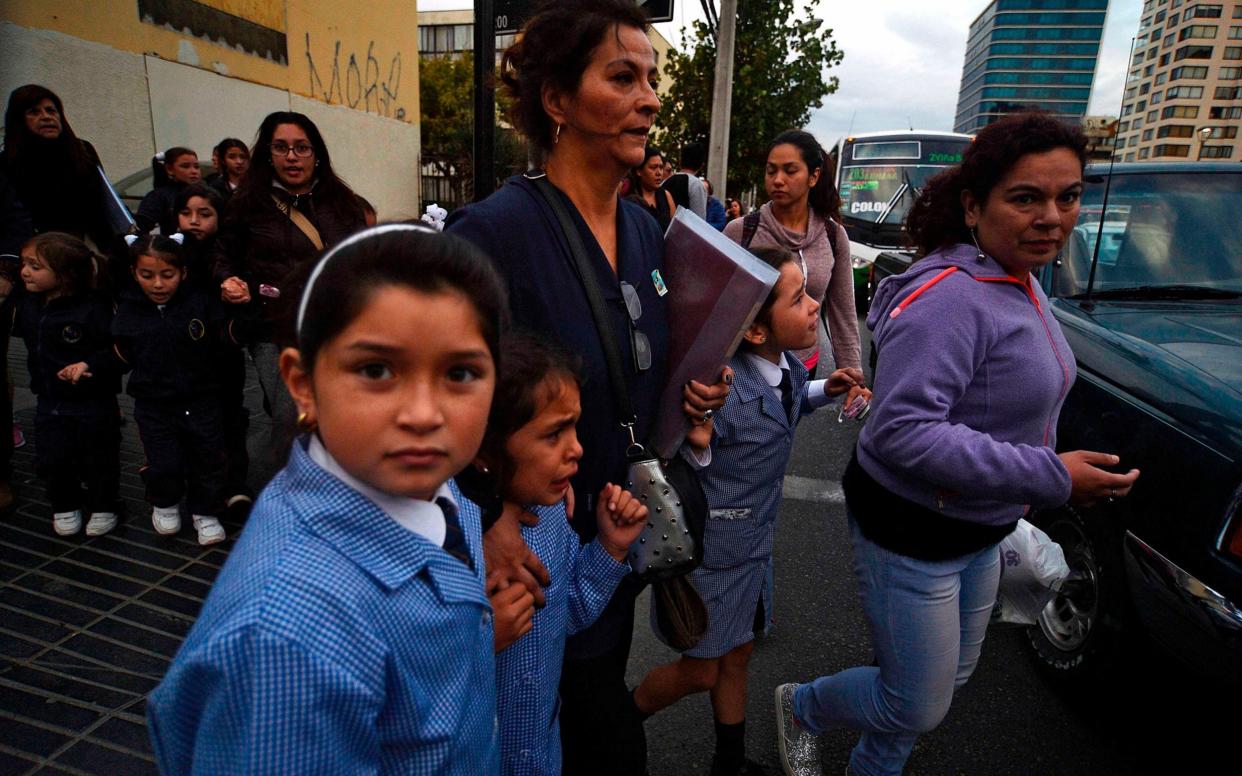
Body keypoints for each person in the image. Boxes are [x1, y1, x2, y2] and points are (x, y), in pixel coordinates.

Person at [773, 112, 1143, 776]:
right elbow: (901, 431)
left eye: (1069, 196)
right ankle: (802, 707)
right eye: (1026, 197)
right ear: (974, 207)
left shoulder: (1018, 277)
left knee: (945, 681)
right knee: (916, 702)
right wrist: (1050, 475)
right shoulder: (954, 297)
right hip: (911, 530)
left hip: (979, 526)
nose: (1052, 217)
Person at [446, 2, 731, 772]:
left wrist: (690, 398)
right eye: (622, 77)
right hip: (537, 555)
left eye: (650, 79)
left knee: (595, 694)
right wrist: (488, 520)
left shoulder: (645, 230)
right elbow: (442, 401)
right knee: (561, 730)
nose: (649, 97)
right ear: (557, 101)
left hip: (618, 539)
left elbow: (636, 371)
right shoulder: (493, 234)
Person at [147, 224, 506, 773]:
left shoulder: (422, 479)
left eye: (460, 372)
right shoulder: (285, 646)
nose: (424, 414)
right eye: (376, 370)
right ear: (301, 382)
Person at [633, 247, 869, 776]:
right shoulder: (724, 387)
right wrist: (699, 437)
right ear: (757, 331)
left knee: (736, 655)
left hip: (751, 552)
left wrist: (820, 391)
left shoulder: (782, 365)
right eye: (799, 297)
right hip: (715, 558)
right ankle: (621, 719)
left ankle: (730, 760)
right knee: (700, 670)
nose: (814, 306)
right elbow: (691, 453)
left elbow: (787, 399)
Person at [479, 333, 649, 775]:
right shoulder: (453, 539)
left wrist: (610, 546)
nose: (576, 449)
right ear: (485, 443)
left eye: (574, 427)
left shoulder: (553, 514)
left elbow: (565, 613)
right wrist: (480, 642)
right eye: (554, 433)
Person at [213, 111, 367, 448]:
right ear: (268, 154)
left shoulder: (342, 203)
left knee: (339, 412)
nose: (292, 157)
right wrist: (229, 281)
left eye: (302, 148)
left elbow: (363, 259)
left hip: (332, 327)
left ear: (317, 154)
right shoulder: (247, 204)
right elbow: (223, 255)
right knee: (291, 417)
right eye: (281, 148)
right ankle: (295, 493)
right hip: (273, 328)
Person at [113, 234, 241, 544]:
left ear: (183, 272)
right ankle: (165, 501)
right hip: (153, 402)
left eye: (167, 275)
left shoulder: (198, 302)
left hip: (201, 397)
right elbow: (121, 352)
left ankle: (205, 510)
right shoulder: (128, 309)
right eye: (147, 275)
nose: (158, 284)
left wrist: (243, 317)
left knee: (207, 455)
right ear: (134, 273)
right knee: (163, 458)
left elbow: (224, 339)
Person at [724, 130, 860, 377]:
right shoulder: (741, 232)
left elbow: (843, 311)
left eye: (790, 170)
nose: (777, 179)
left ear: (813, 176)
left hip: (805, 367)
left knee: (793, 413)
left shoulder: (833, 235)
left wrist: (852, 373)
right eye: (771, 170)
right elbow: (718, 308)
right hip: (746, 369)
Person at [14, 232, 120, 536]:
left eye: (35, 266)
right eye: (25, 264)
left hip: (93, 401)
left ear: (64, 275)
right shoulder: (30, 303)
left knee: (98, 456)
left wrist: (90, 366)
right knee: (53, 456)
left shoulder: (93, 307)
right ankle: (64, 504)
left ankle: (103, 505)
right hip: (49, 399)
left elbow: (114, 350)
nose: (25, 272)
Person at [176, 183, 254, 516]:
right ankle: (199, 487)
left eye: (204, 214)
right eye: (186, 213)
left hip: (221, 353)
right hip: (184, 355)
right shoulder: (170, 253)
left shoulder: (230, 255)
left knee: (230, 418)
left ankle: (235, 484)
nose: (194, 221)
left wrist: (234, 331)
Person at [1, 85, 113, 248]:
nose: (46, 117)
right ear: (20, 120)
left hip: (84, 247)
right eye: (34, 112)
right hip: (35, 253)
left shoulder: (82, 151)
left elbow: (102, 203)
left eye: (51, 110)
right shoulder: (8, 162)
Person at [136, 147, 202, 235]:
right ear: (169, 169)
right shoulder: (159, 196)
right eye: (185, 166)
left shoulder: (209, 193)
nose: (194, 171)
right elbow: (140, 227)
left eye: (196, 167)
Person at [625, 145, 675, 232]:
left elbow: (675, 230)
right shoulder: (630, 199)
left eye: (661, 167)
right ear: (639, 171)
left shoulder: (666, 195)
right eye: (653, 168)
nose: (659, 173)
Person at [661, 141, 707, 219]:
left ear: (680, 160)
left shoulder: (665, 182)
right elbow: (699, 220)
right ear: (702, 165)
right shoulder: (696, 184)